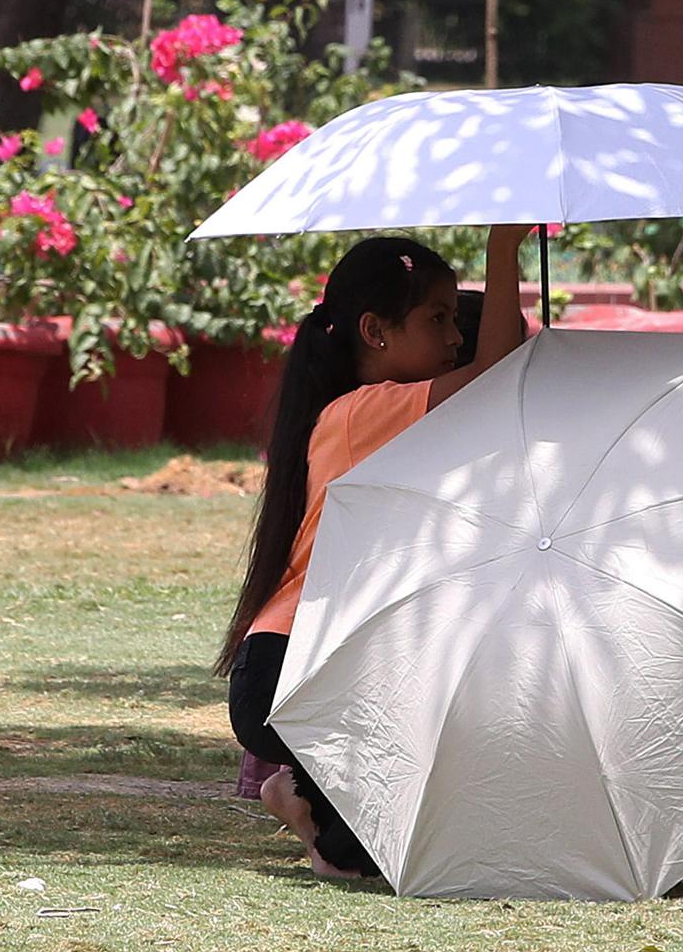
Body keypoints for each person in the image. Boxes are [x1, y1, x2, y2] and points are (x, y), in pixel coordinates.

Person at [218, 227, 532, 877]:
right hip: (290, 669)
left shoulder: (385, 414)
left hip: (316, 664)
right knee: (383, 853)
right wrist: (504, 250)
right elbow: (497, 372)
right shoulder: (363, 413)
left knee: (407, 835)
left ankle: (306, 796)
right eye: (438, 318)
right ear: (376, 331)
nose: (454, 337)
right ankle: (305, 796)